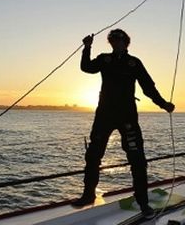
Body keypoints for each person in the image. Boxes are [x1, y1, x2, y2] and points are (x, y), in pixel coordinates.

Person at [71, 29, 175, 219]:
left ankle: (143, 201)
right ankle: (88, 195)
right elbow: (86, 67)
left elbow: (148, 88)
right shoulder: (104, 60)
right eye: (113, 40)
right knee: (93, 155)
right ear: (110, 43)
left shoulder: (134, 63)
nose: (116, 42)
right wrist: (87, 47)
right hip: (104, 115)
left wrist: (163, 104)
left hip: (127, 116)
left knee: (137, 159)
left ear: (126, 42)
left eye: (120, 40)